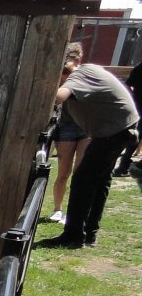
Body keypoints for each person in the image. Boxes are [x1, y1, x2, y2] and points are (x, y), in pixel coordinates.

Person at [41, 52, 140, 248]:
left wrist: (42, 90)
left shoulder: (79, 75)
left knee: (82, 180)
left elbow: (59, 96)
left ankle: (73, 236)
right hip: (119, 128)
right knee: (100, 181)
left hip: (113, 131)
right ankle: (89, 234)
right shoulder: (86, 72)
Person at [48, 43, 90, 222]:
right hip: (66, 126)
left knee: (81, 173)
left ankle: (75, 213)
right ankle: (57, 209)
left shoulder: (85, 74)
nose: (73, 61)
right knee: (63, 173)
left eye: (74, 57)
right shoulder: (60, 73)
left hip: (86, 126)